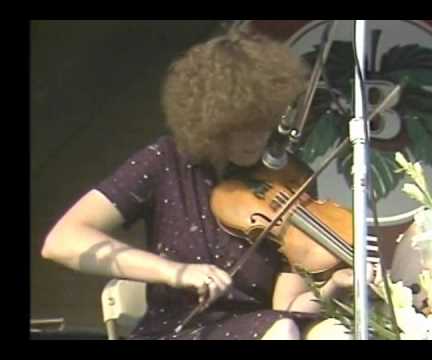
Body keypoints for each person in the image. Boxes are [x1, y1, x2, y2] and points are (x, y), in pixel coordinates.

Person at [41, 24, 356, 340]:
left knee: (324, 332)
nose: (255, 140)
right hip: (176, 331)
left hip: (263, 326)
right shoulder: (166, 161)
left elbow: (287, 306)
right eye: (239, 127)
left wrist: (334, 287)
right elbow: (63, 241)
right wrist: (174, 272)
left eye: (263, 125)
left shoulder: (292, 179)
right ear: (210, 122)